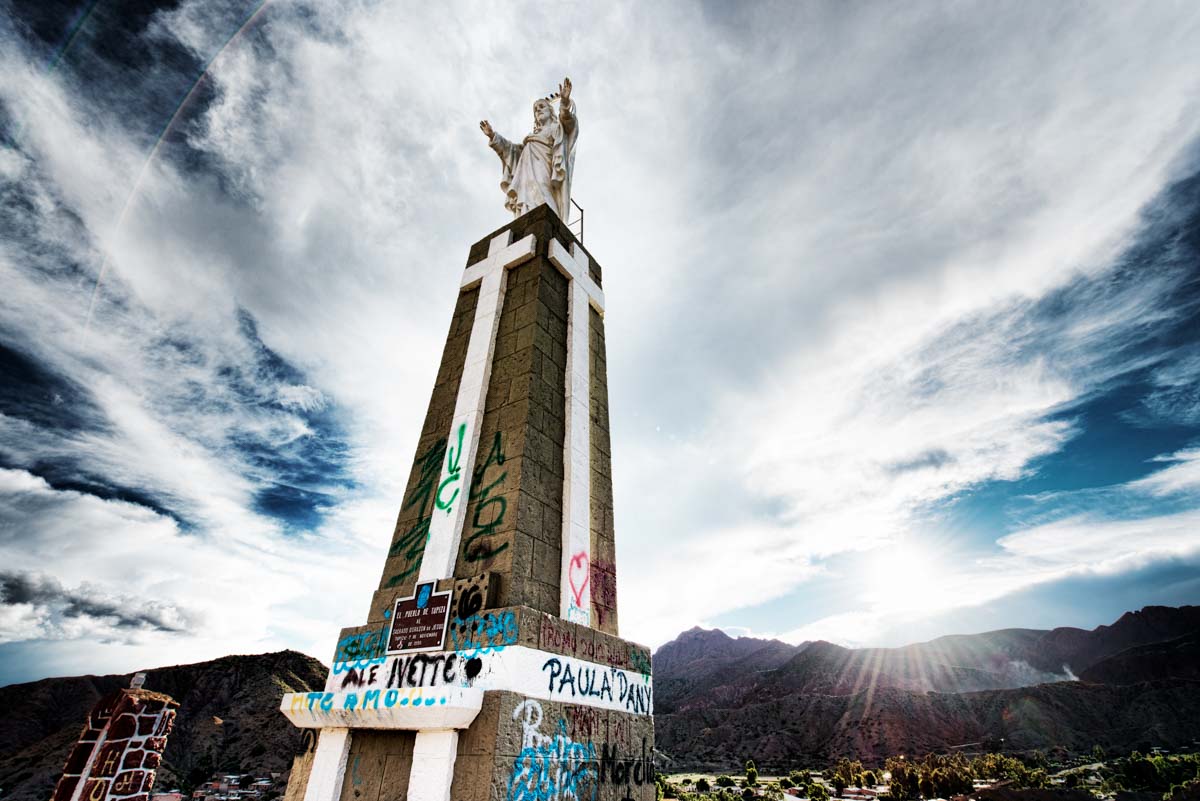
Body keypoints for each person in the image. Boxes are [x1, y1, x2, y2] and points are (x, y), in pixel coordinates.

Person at [480, 77, 578, 220]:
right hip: (526, 175)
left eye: (541, 107)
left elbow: (568, 123)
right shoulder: (530, 139)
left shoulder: (555, 128)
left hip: (544, 169)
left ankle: (552, 223)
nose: (538, 110)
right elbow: (510, 150)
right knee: (527, 196)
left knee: (543, 193)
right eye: (536, 109)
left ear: (550, 111)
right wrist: (493, 136)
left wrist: (564, 103)